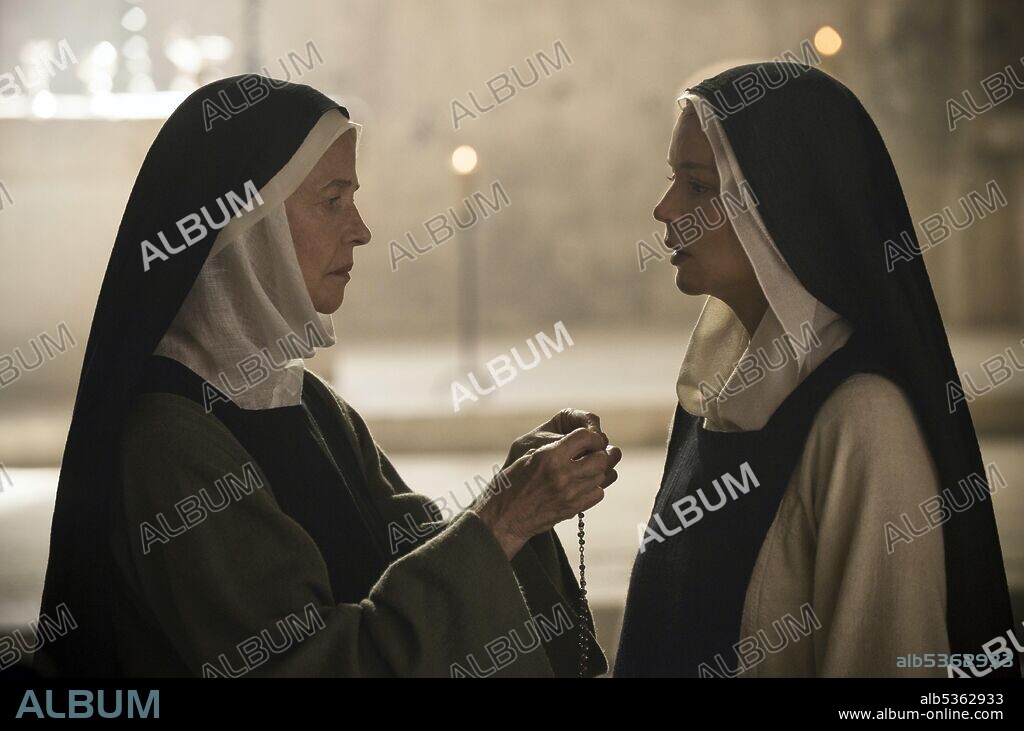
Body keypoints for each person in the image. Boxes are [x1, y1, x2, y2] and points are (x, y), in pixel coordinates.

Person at [35, 75, 621, 678]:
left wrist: (518, 495)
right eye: (333, 200)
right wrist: (503, 520)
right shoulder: (169, 442)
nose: (361, 228)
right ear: (247, 224)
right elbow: (301, 665)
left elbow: (410, 555)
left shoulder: (302, 398)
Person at [614, 63, 1019, 678]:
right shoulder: (719, 398)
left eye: (698, 186)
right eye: (674, 179)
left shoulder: (864, 425)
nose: (663, 209)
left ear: (779, 207)